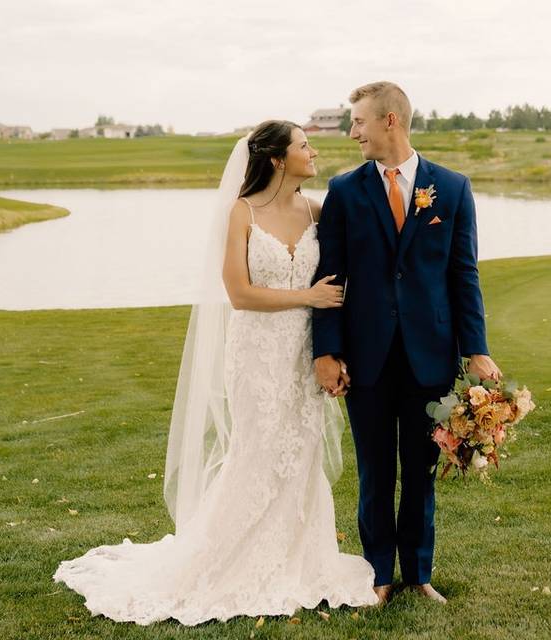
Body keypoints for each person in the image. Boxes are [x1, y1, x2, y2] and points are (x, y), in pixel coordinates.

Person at [53, 120, 379, 626]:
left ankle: (297, 559)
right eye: (303, 145)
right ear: (276, 158)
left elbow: (355, 256)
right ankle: (225, 562)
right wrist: (307, 297)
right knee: (258, 449)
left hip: (301, 353)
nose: (313, 151)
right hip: (256, 353)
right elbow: (239, 294)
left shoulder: (316, 210)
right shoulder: (242, 212)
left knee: (300, 450)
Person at [312, 81, 501, 606]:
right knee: (375, 471)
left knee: (419, 472)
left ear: (390, 121)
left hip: (430, 355)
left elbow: (464, 275)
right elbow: (330, 278)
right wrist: (325, 352)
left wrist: (475, 346)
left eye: (358, 122)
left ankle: (418, 573)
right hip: (365, 357)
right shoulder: (345, 191)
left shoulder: (454, 188)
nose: (352, 133)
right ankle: (376, 574)